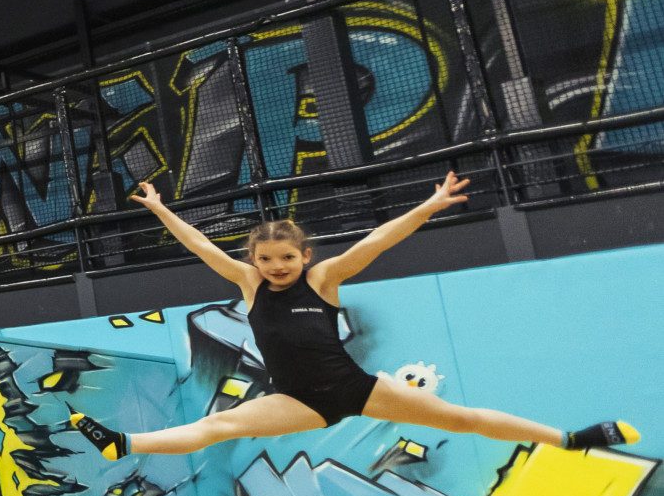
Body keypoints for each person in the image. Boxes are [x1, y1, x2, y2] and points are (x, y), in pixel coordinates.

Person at [67, 173, 636, 459]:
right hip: (296, 399)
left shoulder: (324, 278)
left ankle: (570, 438)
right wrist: (162, 208)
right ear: (254, 261)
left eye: (286, 258)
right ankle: (124, 444)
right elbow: (199, 246)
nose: (276, 267)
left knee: (460, 418)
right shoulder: (247, 282)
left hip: (357, 387)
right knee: (220, 427)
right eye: (266, 260)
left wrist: (430, 205)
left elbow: (378, 241)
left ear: (304, 256)